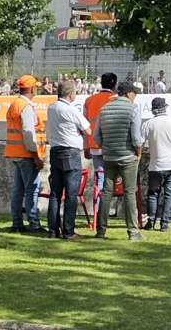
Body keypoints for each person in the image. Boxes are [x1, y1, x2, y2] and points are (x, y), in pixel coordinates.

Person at [93, 82, 146, 241]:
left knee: (106, 193)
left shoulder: (104, 109)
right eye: (134, 94)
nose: (135, 97)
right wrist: (138, 153)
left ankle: (100, 232)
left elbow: (96, 137)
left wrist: (107, 147)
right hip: (128, 157)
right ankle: (133, 232)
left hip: (109, 157)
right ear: (129, 94)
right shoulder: (133, 109)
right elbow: (137, 138)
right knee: (129, 193)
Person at [46, 81, 92, 239]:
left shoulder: (51, 108)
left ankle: (53, 230)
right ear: (71, 94)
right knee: (72, 194)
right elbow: (88, 130)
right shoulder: (71, 110)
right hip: (70, 152)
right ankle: (68, 231)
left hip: (55, 151)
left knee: (55, 193)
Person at [5, 75, 47, 234]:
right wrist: (36, 156)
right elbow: (29, 134)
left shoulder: (15, 104)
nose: (37, 89)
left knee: (18, 190)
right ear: (31, 89)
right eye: (36, 87)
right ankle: (33, 224)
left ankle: (17, 223)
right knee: (32, 190)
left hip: (15, 153)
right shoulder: (26, 107)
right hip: (26, 154)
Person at [141, 98, 171, 232]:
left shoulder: (148, 124)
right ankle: (165, 223)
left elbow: (140, 144)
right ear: (165, 108)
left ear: (153, 110)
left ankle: (150, 221)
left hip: (156, 164)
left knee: (153, 193)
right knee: (170, 195)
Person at [84, 73, 117, 204]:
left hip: (94, 146)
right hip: (112, 146)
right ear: (114, 85)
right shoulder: (115, 99)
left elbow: (85, 125)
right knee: (117, 179)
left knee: (99, 178)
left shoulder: (89, 100)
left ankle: (98, 211)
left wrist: (86, 146)